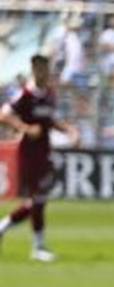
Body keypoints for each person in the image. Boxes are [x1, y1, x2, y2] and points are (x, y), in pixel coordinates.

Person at [0, 55, 79, 262]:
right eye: (37, 69)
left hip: (44, 151)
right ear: (33, 70)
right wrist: (25, 128)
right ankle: (37, 247)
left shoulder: (49, 94)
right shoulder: (25, 94)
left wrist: (68, 129)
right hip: (28, 153)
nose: (41, 73)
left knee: (37, 200)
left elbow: (49, 120)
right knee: (38, 199)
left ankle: (4, 227)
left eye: (43, 68)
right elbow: (3, 114)